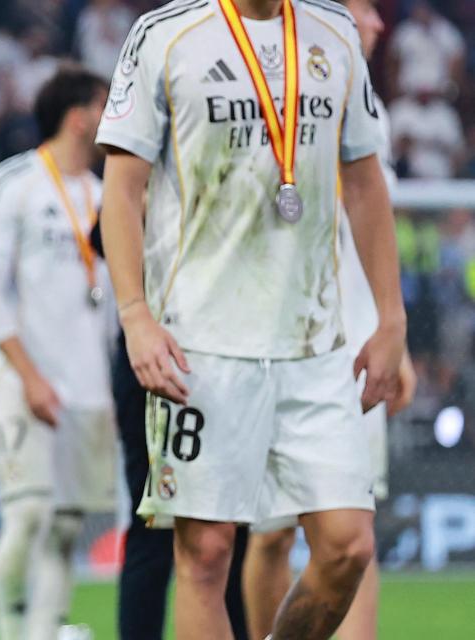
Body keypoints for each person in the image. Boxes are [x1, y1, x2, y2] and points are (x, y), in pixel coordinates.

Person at [98, 1, 405, 639]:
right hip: (200, 342)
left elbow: (365, 181)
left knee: (347, 546)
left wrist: (391, 318)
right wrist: (135, 315)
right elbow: (121, 189)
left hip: (313, 340)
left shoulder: (334, 31)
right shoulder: (164, 34)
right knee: (206, 555)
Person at [239, 2, 417, 639]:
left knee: (352, 523)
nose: (376, 24)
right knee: (271, 532)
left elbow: (368, 228)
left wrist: (393, 331)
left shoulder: (372, 111)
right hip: (282, 338)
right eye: (364, 9)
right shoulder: (265, 90)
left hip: (357, 340)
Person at [0, 66, 115, 640]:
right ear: (79, 115)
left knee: (66, 525)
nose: (112, 118)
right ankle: (13, 631)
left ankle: (45, 631)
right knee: (28, 511)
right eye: (105, 106)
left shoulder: (106, 196)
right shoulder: (9, 186)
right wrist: (27, 376)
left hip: (86, 386)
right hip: (16, 380)